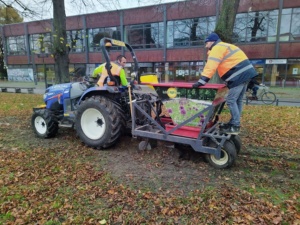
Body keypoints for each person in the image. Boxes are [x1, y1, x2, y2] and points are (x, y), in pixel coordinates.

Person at [192, 32, 257, 134]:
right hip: (246, 74)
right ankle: (234, 122)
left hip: (239, 75)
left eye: (207, 43)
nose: (206, 46)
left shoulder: (217, 48)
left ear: (212, 41)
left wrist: (202, 80)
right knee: (238, 100)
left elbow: (211, 65)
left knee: (231, 100)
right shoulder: (227, 46)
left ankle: (235, 125)